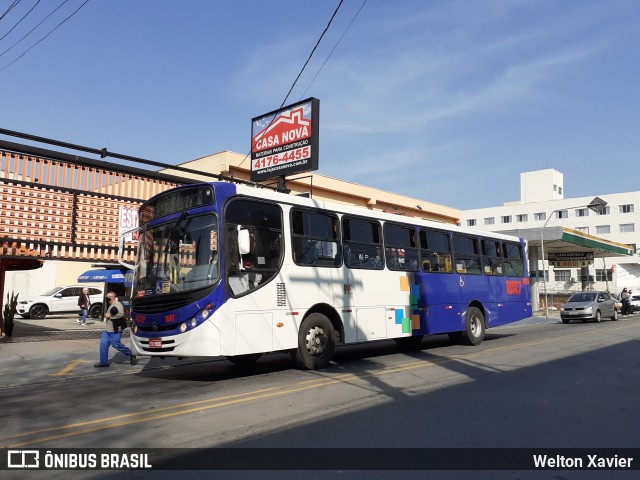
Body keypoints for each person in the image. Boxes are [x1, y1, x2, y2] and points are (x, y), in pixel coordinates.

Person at [94, 292, 137, 367]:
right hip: (108, 330)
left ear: (111, 297)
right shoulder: (111, 305)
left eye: (107, 297)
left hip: (115, 330)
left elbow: (121, 314)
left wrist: (109, 315)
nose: (106, 299)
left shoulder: (118, 304)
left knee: (116, 345)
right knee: (103, 345)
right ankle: (104, 362)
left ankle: (131, 354)